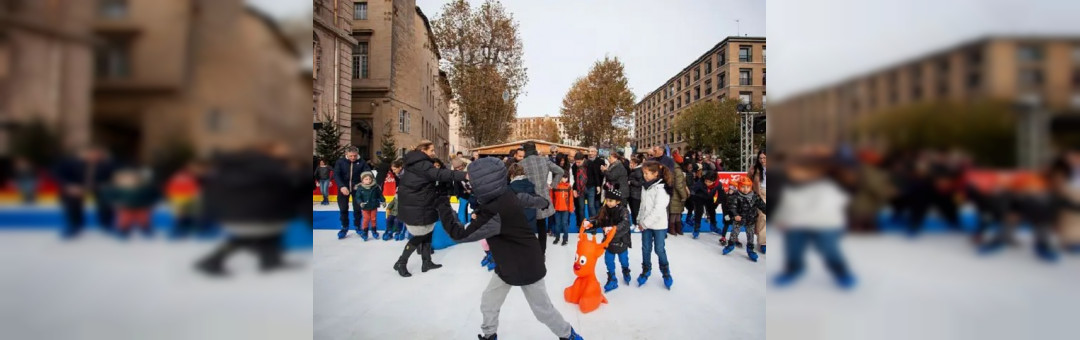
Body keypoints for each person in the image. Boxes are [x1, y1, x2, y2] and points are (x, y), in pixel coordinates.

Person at [434, 157, 585, 340]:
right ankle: (490, 334)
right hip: (508, 262)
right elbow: (524, 199)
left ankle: (569, 335)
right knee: (489, 301)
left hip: (525, 263)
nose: (470, 184)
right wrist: (541, 202)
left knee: (542, 310)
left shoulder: (494, 211)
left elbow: (459, 234)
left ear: (484, 183)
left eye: (473, 181)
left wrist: (442, 205)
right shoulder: (506, 194)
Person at [197, 142, 307, 276]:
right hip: (256, 215)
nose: (287, 152)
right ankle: (213, 261)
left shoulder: (235, 166)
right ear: (270, 151)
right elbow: (288, 184)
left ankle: (270, 260)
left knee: (263, 233)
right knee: (261, 232)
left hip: (232, 214)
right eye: (282, 149)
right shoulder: (269, 166)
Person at [772, 154, 856, 289]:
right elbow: (786, 204)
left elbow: (839, 202)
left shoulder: (828, 185)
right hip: (796, 224)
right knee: (793, 249)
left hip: (824, 224)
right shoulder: (790, 187)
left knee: (830, 249)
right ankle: (793, 268)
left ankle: (841, 271)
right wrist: (781, 219)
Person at [393, 140, 467, 277]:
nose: (434, 153)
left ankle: (426, 262)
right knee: (420, 235)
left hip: (424, 202)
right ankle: (401, 262)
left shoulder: (417, 163)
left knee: (428, 232)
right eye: (431, 150)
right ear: (423, 151)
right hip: (419, 204)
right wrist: (465, 175)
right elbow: (441, 174)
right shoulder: (422, 164)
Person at [54, 145, 116, 238]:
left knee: (107, 195)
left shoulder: (106, 164)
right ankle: (75, 225)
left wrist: (107, 184)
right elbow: (59, 174)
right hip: (77, 187)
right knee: (71, 198)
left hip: (98, 187)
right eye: (91, 153)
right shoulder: (71, 163)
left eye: (97, 154)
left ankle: (107, 223)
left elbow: (114, 176)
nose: (94, 156)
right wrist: (69, 186)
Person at [519, 141, 565, 255]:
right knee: (541, 227)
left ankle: (529, 253)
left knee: (527, 228)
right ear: (535, 149)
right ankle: (541, 253)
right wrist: (553, 185)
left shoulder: (521, 164)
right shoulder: (544, 160)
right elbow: (560, 171)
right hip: (543, 199)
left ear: (525, 151)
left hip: (527, 199)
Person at [585, 189, 632, 292]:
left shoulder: (623, 211)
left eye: (611, 200)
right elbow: (599, 220)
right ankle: (612, 278)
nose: (608, 202)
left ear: (618, 201)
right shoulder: (604, 209)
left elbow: (625, 224)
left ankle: (625, 270)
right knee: (609, 261)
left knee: (623, 260)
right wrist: (590, 223)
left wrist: (613, 229)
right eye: (607, 200)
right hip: (609, 242)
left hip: (621, 242)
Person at [636, 161, 674, 289]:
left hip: (658, 225)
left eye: (647, 173)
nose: (645, 176)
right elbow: (643, 205)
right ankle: (646, 270)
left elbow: (658, 210)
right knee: (645, 249)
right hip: (645, 224)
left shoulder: (662, 188)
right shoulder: (645, 186)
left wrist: (645, 223)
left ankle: (665, 272)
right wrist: (639, 219)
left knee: (659, 249)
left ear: (655, 173)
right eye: (644, 173)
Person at [722, 177, 767, 262]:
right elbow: (732, 207)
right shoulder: (735, 196)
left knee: (750, 236)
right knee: (734, 233)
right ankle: (730, 245)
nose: (745, 189)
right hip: (739, 219)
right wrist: (735, 215)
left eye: (747, 187)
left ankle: (750, 250)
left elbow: (762, 206)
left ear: (751, 187)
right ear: (739, 186)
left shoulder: (755, 196)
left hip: (751, 219)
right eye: (743, 187)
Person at [106, 168, 159, 238]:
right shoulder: (120, 188)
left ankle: (146, 229)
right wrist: (115, 202)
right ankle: (123, 230)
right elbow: (111, 196)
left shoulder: (146, 188)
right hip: (126, 207)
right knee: (124, 219)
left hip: (141, 207)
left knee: (144, 219)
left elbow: (154, 196)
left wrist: (151, 203)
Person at [333, 147, 370, 237]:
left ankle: (358, 226)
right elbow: (336, 175)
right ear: (346, 154)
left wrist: (361, 184)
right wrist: (341, 186)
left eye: (355, 156)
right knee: (343, 209)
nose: (353, 158)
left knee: (357, 209)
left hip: (357, 189)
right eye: (351, 156)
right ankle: (344, 227)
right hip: (343, 188)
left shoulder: (362, 162)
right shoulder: (340, 162)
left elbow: (367, 173)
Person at [351, 172, 384, 241]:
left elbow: (380, 195)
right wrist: (360, 203)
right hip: (365, 207)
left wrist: (383, 201)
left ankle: (374, 231)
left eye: (370, 179)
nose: (368, 180)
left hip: (374, 206)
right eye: (366, 179)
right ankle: (365, 232)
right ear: (362, 180)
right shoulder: (360, 188)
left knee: (373, 219)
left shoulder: (375, 187)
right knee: (366, 219)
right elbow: (358, 197)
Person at [747, 149, 768, 252]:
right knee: (763, 216)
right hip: (760, 194)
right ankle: (763, 242)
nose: (762, 160)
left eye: (764, 158)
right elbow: (748, 180)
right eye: (760, 158)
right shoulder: (754, 169)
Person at [667, 158, 688, 236]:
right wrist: (684, 195)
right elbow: (679, 185)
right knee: (676, 212)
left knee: (676, 211)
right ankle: (674, 228)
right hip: (677, 193)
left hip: (673, 192)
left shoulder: (672, 168)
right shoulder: (678, 170)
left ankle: (676, 228)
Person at [551, 174, 574, 246]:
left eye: (566, 178)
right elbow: (551, 198)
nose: (566, 179)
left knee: (564, 224)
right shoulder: (555, 186)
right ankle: (557, 238)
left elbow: (571, 199)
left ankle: (565, 239)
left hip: (565, 209)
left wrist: (571, 208)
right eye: (564, 177)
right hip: (556, 208)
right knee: (557, 224)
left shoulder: (568, 186)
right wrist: (552, 208)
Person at [586, 147, 605, 218]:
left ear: (596, 153)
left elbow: (602, 174)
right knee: (590, 205)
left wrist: (600, 185)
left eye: (592, 151)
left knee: (597, 203)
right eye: (589, 151)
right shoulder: (586, 162)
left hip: (599, 185)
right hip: (590, 185)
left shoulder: (601, 161)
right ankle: (593, 219)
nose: (590, 153)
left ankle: (598, 219)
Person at [572, 153, 589, 229]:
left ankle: (592, 224)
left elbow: (592, 176)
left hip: (588, 187)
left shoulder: (588, 165)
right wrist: (575, 189)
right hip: (579, 190)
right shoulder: (574, 167)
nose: (577, 164)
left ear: (583, 160)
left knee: (591, 207)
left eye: (579, 162)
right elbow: (575, 179)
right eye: (576, 162)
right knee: (581, 208)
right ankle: (582, 225)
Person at [627, 155, 645, 227]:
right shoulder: (633, 170)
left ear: (636, 164)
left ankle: (638, 224)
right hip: (632, 193)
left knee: (636, 210)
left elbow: (640, 183)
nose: (630, 164)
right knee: (632, 209)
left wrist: (631, 182)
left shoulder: (639, 171)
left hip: (636, 194)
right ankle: (634, 223)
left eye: (631, 163)